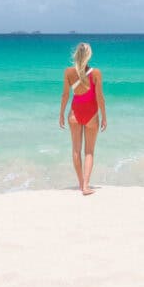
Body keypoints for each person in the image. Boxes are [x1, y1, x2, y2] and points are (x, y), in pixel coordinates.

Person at [59, 42, 107, 196]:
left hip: (74, 113)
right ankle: (86, 185)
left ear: (76, 55)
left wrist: (61, 114)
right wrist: (104, 117)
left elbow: (65, 95)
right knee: (89, 152)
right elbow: (100, 97)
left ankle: (80, 184)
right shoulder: (96, 73)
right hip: (92, 115)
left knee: (75, 150)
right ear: (89, 55)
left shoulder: (68, 72)